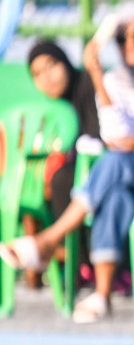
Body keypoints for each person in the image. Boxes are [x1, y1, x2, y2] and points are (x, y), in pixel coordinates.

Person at [1, 3, 134, 322]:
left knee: (116, 164)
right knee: (114, 192)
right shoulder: (116, 80)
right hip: (129, 174)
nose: (130, 44)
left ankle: (50, 240)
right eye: (121, 38)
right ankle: (102, 294)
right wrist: (97, 75)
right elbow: (114, 135)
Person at [18, 40, 101, 286]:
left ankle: (79, 263)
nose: (47, 77)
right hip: (71, 172)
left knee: (64, 178)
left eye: (51, 65)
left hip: (103, 166)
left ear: (64, 61)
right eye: (37, 73)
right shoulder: (52, 108)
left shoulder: (89, 84)